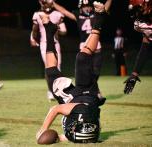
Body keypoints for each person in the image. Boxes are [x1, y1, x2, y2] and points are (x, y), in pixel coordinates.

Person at [36, 0, 112, 143]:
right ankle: (99, 20)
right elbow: (55, 110)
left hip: (78, 100)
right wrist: (43, 129)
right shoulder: (80, 119)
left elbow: (59, 138)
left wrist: (53, 138)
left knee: (52, 73)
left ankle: (49, 29)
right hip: (86, 95)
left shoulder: (75, 135)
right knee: (81, 58)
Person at [53, 0, 105, 100]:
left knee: (96, 71)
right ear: (81, 7)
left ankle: (93, 90)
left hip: (96, 45)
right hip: (84, 46)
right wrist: (53, 3)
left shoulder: (95, 14)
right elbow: (64, 11)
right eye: (85, 6)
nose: (88, 8)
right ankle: (91, 91)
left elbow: (105, 8)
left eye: (89, 6)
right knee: (85, 72)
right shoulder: (77, 15)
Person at [30, 0, 67, 101]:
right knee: (49, 68)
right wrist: (33, 38)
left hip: (55, 43)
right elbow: (34, 29)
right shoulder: (38, 14)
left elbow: (64, 31)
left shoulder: (57, 14)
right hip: (44, 44)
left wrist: (56, 29)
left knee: (58, 67)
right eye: (44, 2)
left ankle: (59, 90)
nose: (46, 4)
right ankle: (50, 90)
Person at [124, 0, 151, 94]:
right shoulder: (141, 23)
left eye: (139, 8)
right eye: (136, 10)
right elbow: (145, 46)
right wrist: (134, 74)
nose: (138, 13)